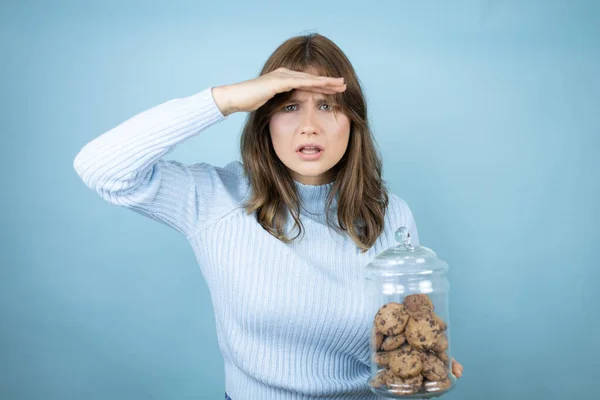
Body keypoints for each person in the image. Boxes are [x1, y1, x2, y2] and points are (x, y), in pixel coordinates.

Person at [73, 32, 463, 399]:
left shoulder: (390, 213)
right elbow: (101, 168)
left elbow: (396, 334)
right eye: (289, 106)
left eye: (327, 106)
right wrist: (225, 99)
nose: (309, 126)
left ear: (353, 122)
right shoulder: (216, 199)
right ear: (264, 120)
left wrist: (418, 362)